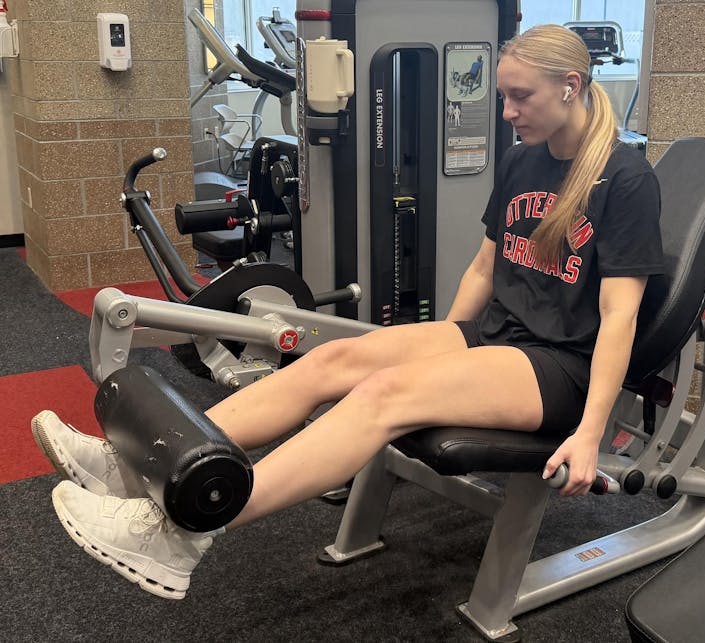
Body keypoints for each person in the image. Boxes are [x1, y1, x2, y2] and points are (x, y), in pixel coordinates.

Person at [34, 23, 663, 600]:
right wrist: (446, 338)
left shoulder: (624, 179)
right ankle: (135, 466)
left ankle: (178, 533)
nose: (507, 112)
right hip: (496, 334)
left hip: (561, 366)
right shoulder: (524, 159)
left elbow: (619, 318)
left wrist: (589, 433)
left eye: (520, 97)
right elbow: (482, 268)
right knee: (330, 360)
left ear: (570, 86)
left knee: (383, 395)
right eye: (503, 97)